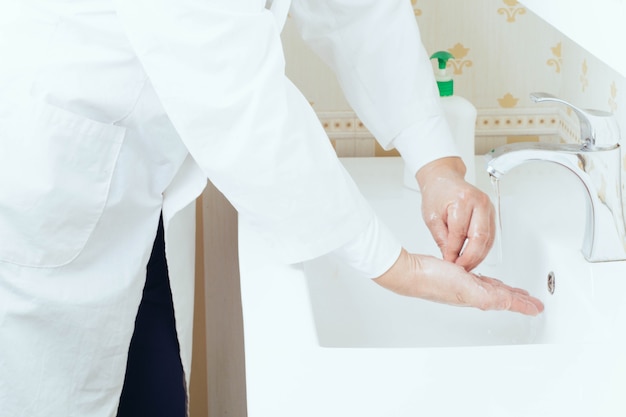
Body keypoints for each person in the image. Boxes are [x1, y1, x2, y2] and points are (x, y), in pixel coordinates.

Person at [0, 0, 544, 416]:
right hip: (48, 187)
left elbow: (355, 10)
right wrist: (397, 266)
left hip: (120, 197)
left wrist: (437, 166)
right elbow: (236, 96)